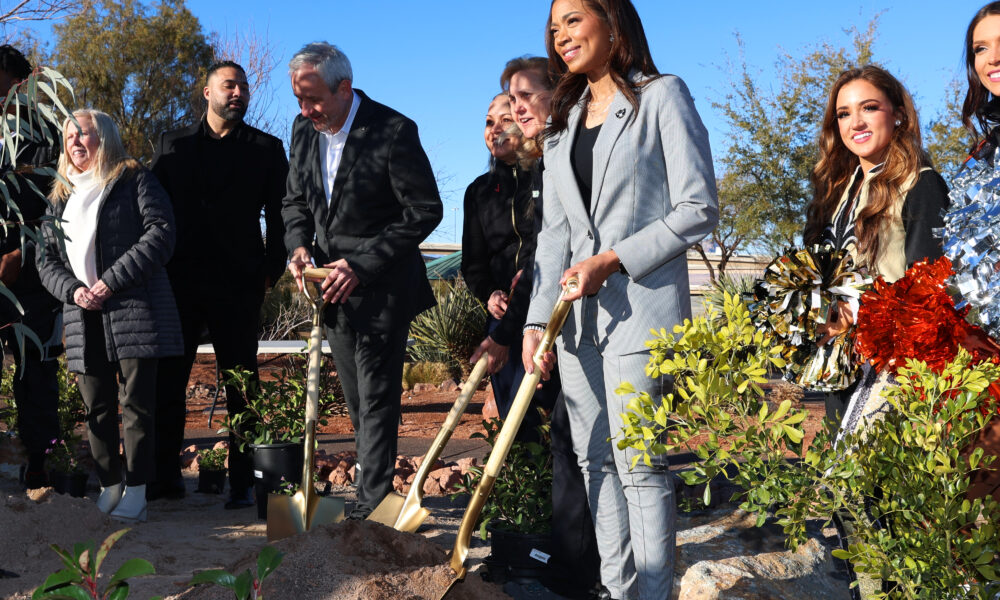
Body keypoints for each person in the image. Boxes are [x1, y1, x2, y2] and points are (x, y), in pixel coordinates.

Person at [523, 2, 719, 598]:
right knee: (594, 464)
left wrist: (611, 259)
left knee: (638, 465)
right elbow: (555, 235)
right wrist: (536, 322)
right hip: (575, 322)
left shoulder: (662, 96)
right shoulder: (562, 124)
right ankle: (617, 589)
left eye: (574, 20)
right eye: (554, 27)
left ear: (612, 24)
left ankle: (655, 593)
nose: (561, 36)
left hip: (642, 312)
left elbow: (698, 206)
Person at [282, 42, 442, 520]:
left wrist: (360, 263)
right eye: (298, 99)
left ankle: (372, 510)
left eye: (313, 99)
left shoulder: (392, 130)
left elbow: (425, 210)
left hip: (382, 290)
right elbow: (295, 201)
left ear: (344, 87)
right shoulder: (302, 130)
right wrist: (298, 246)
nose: (306, 110)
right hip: (330, 293)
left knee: (376, 399)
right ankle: (371, 500)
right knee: (358, 401)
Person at [150, 60, 288, 507]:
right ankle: (164, 478)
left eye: (243, 87)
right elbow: (151, 208)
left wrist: (273, 266)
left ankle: (243, 483)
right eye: (229, 85)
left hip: (239, 282)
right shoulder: (172, 146)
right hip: (178, 282)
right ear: (207, 92)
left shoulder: (267, 148)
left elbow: (282, 213)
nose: (238, 93)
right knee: (168, 383)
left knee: (241, 385)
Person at [490, 56, 603, 600]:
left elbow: (552, 250)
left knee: (587, 448)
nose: (516, 108)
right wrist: (533, 325)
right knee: (564, 441)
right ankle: (572, 568)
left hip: (604, 323)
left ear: (558, 95)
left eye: (525, 95)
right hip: (556, 321)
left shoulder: (570, 154)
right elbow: (541, 255)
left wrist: (516, 328)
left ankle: (590, 573)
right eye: (510, 98)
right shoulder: (545, 160)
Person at [37, 109, 182, 522]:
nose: (76, 142)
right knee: (96, 407)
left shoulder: (134, 179)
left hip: (134, 309)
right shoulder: (58, 195)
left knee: (137, 405)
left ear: (106, 139)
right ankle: (109, 484)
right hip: (83, 315)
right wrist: (75, 291)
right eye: (69, 136)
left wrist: (111, 281)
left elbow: (162, 233)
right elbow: (44, 259)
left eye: (85, 134)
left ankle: (136, 490)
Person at [804, 65, 949, 429]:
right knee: (840, 478)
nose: (856, 122)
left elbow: (927, 292)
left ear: (898, 114)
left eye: (869, 107)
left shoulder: (922, 184)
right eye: (843, 113)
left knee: (871, 482)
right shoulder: (837, 191)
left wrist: (859, 316)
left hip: (892, 372)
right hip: (840, 365)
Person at [0, 45, 63, 490]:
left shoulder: (49, 136)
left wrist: (21, 252)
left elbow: (59, 206)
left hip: (30, 277)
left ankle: (40, 465)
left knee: (34, 369)